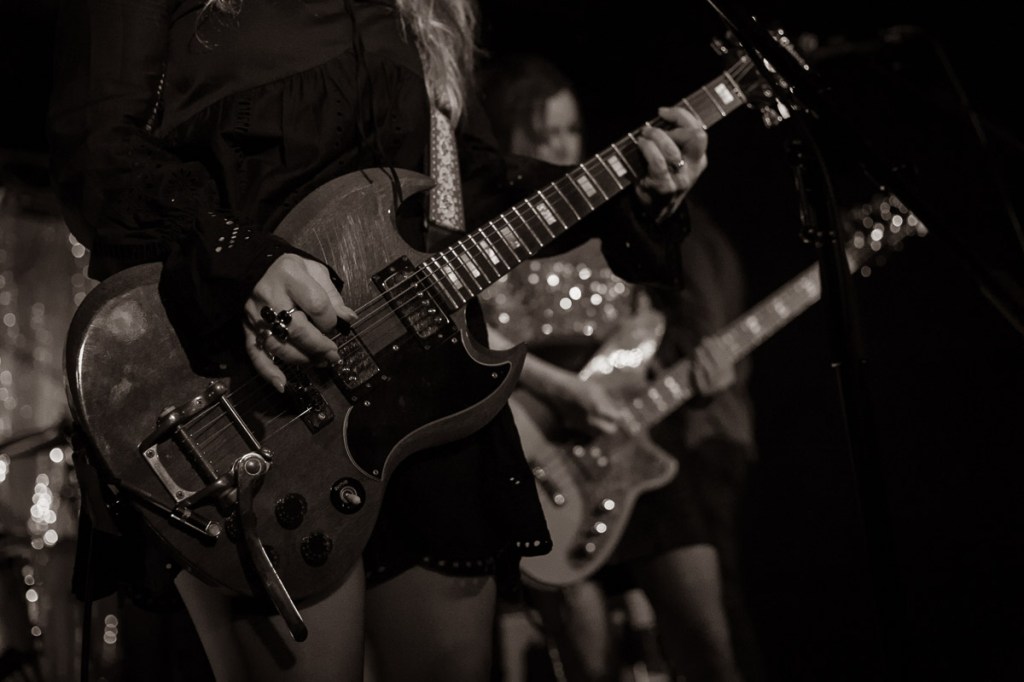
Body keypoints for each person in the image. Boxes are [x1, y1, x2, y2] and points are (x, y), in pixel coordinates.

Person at [46, 2, 710, 681]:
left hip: (427, 389)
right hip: (248, 394)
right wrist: (243, 261)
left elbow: (464, 184)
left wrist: (629, 191)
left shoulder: (426, 10)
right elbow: (96, 150)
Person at [479, 53, 761, 682]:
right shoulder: (494, 229)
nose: (560, 144)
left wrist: (704, 372)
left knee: (710, 646)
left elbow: (658, 322)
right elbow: (476, 337)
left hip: (642, 447)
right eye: (542, 132)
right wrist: (564, 390)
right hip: (544, 452)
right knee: (586, 660)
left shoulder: (612, 214)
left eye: (570, 130)